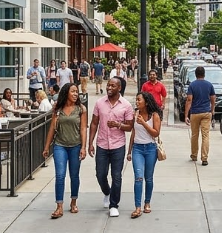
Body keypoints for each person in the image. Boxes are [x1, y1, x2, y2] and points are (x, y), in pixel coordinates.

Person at [88, 77, 133, 217]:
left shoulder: (126, 105)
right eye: (108, 85)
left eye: (113, 86)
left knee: (116, 176)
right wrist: (90, 143)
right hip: (102, 144)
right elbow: (94, 123)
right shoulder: (100, 103)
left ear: (119, 88)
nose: (109, 88)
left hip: (118, 145)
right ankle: (107, 192)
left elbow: (130, 127)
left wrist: (118, 125)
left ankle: (114, 205)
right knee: (100, 174)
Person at [43, 82, 88, 218]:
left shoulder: (81, 109)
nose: (76, 94)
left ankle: (73, 202)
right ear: (66, 93)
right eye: (73, 91)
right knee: (60, 175)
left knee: (74, 176)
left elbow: (83, 128)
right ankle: (59, 206)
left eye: (77, 92)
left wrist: (83, 147)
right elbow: (52, 128)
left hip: (75, 146)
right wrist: (46, 146)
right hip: (60, 145)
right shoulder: (58, 108)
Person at [127, 91, 161, 218]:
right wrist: (129, 151)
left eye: (139, 100)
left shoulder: (155, 115)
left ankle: (147, 202)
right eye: (136, 100)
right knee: (138, 177)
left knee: (149, 178)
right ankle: (137, 207)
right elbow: (133, 133)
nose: (136, 102)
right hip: (138, 149)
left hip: (151, 149)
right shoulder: (135, 114)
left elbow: (155, 133)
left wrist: (144, 123)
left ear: (146, 102)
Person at [184, 65, 215, 166]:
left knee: (194, 135)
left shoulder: (192, 85)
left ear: (196, 74)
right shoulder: (209, 85)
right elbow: (213, 98)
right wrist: (212, 109)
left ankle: (194, 154)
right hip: (206, 112)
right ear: (204, 74)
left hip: (195, 112)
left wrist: (186, 115)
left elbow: (189, 100)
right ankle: (204, 158)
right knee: (205, 135)